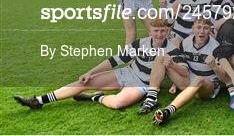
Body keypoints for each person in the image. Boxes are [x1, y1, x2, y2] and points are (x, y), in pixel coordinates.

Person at [14, 18, 178, 110]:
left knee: (117, 103)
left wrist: (174, 86)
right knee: (86, 82)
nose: (159, 34)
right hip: (126, 73)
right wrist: (90, 72)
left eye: (163, 31)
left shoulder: (172, 49)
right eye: (156, 31)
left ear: (168, 32)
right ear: (150, 31)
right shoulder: (140, 43)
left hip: (141, 85)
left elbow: (176, 72)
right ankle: (38, 101)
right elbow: (114, 60)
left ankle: (96, 97)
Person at [152, 18, 227, 125]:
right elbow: (182, 64)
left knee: (199, 79)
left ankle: (168, 111)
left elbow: (224, 78)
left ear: (210, 30)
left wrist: (215, 66)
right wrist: (174, 83)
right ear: (193, 28)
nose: (201, 31)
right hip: (188, 81)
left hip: (207, 86)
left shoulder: (216, 47)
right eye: (198, 27)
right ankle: (150, 98)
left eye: (205, 28)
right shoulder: (186, 42)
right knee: (162, 57)